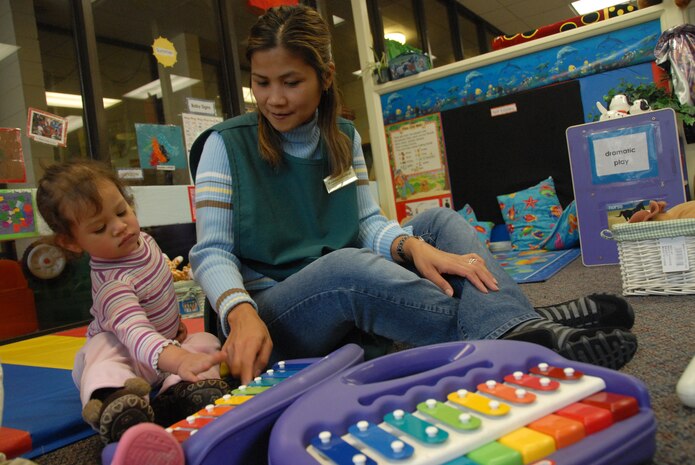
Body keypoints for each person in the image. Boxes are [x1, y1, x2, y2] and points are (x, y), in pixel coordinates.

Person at [189, 5, 637, 387]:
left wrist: (412, 246)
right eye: (261, 83)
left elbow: (365, 224)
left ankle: (514, 326)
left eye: (290, 82)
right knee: (347, 268)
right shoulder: (224, 146)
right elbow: (211, 253)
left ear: (325, 78)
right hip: (272, 313)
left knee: (438, 223)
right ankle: (518, 322)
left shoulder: (342, 136)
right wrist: (239, 312)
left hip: (345, 274)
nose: (274, 99)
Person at [36, 160, 228, 444]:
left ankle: (181, 392)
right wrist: (178, 358)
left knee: (207, 341)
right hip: (126, 356)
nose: (119, 227)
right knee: (101, 349)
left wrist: (174, 328)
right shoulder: (114, 284)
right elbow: (134, 332)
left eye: (121, 211)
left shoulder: (145, 242)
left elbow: (160, 289)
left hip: (161, 351)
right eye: (100, 227)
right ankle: (115, 401)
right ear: (72, 243)